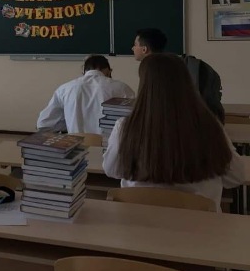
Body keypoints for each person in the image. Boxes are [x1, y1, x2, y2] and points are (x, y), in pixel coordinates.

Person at [103, 54, 245, 210]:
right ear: (187, 83)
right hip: (200, 223)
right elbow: (237, 177)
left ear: (144, 86)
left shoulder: (125, 128)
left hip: (139, 220)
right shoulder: (210, 126)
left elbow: (111, 170)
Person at [132, 27, 225, 123]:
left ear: (144, 49)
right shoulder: (174, 63)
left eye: (135, 45)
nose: (133, 48)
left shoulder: (152, 68)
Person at [36, 54, 134, 134]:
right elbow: (134, 121)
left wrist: (70, 124)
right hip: (109, 147)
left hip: (76, 147)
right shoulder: (122, 88)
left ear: (84, 71)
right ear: (108, 71)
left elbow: (43, 123)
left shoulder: (64, 89)